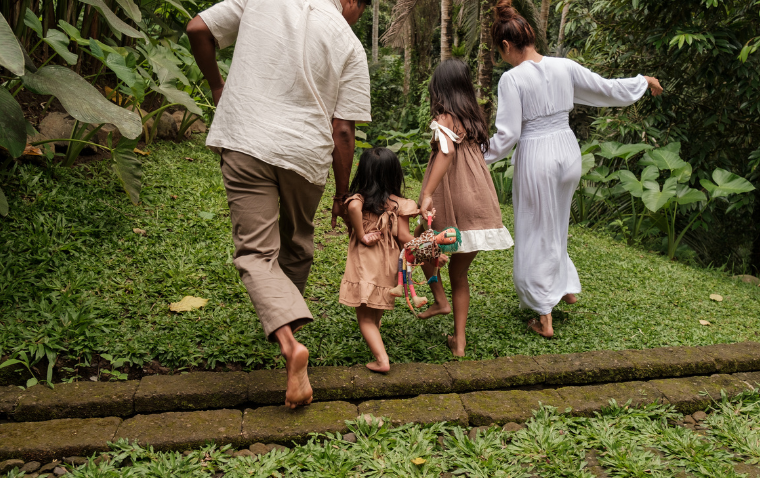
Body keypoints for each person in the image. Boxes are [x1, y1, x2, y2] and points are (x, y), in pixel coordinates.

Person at [186, 0, 372, 408]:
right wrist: (342, 195)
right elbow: (343, 131)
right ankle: (289, 328)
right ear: (353, 3)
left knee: (256, 252)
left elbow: (198, 28)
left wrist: (219, 85)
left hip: (246, 136)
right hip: (305, 153)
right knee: (298, 244)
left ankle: (288, 343)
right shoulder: (350, 43)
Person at [483, 0, 662, 338]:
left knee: (535, 229)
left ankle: (543, 313)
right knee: (556, 223)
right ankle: (566, 285)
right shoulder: (563, 66)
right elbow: (606, 88)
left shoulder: (512, 79)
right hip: (568, 150)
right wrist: (642, 81)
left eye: (499, 51)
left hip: (537, 154)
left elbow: (507, 136)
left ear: (506, 45)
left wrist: (476, 158)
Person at [418, 59, 515, 357]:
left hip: (452, 197)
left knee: (420, 244)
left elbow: (446, 154)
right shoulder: (473, 120)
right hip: (479, 200)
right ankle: (459, 342)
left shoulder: (445, 119)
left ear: (440, 89)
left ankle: (439, 300)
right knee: (459, 275)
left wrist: (427, 194)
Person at [339, 148, 420, 372]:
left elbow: (353, 206)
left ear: (364, 173)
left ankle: (381, 360)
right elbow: (404, 237)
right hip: (389, 264)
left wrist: (362, 234)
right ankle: (376, 336)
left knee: (364, 318)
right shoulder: (399, 204)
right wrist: (429, 250)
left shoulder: (360, 200)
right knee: (374, 310)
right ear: (394, 173)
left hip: (366, 263)